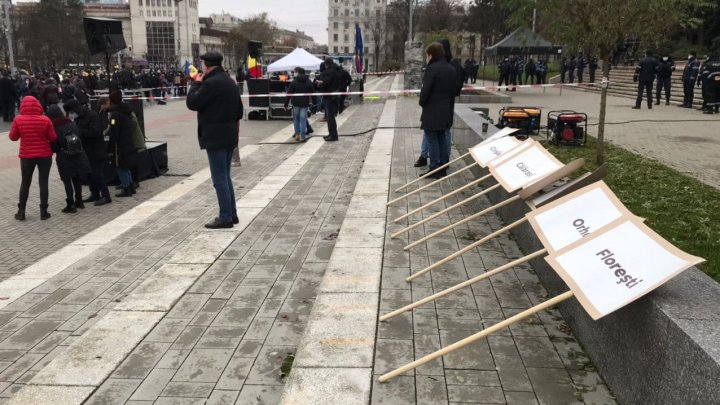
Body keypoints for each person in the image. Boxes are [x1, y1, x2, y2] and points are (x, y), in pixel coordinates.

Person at [186, 51, 244, 229]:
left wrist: (196, 84)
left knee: (219, 178)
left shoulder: (210, 83)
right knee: (225, 177)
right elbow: (240, 111)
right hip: (229, 135)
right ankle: (232, 214)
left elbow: (192, 103)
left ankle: (225, 217)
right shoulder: (229, 81)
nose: (201, 66)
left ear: (206, 65)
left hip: (215, 136)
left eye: (202, 63)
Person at [9, 96, 57, 220]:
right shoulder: (45, 119)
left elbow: (13, 137)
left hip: (26, 156)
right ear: (38, 105)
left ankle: (21, 211)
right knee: (43, 182)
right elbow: (53, 137)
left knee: (25, 182)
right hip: (45, 155)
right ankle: (43, 212)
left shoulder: (18, 119)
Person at [419, 42, 456, 179]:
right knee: (442, 139)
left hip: (432, 111)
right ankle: (442, 166)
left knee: (432, 139)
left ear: (431, 55)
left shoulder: (432, 69)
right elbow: (453, 92)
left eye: (427, 55)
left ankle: (434, 167)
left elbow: (425, 91)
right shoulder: (451, 69)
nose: (427, 58)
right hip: (445, 110)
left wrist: (422, 102)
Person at [64, 99, 111, 206]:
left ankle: (105, 195)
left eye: (71, 112)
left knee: (98, 174)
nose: (71, 115)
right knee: (89, 173)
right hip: (85, 150)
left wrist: (79, 132)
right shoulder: (77, 118)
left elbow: (96, 132)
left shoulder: (92, 116)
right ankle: (94, 194)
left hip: (96, 150)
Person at [46, 105, 91, 213]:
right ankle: (79, 201)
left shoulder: (54, 127)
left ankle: (70, 204)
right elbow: (79, 136)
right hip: (78, 155)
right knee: (76, 179)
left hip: (64, 156)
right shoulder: (72, 123)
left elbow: (55, 146)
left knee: (67, 181)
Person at [107, 90, 137, 197]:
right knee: (125, 166)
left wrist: (110, 147)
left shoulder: (115, 115)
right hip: (128, 141)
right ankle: (130, 186)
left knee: (120, 167)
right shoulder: (126, 111)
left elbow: (114, 132)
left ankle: (126, 188)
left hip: (119, 145)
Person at [285, 67, 315, 142]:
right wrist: (314, 103)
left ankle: (297, 134)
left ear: (298, 72)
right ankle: (303, 136)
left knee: (296, 119)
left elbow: (289, 93)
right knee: (303, 120)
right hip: (305, 103)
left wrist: (286, 104)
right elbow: (312, 92)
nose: (294, 73)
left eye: (295, 72)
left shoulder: (294, 82)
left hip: (296, 103)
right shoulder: (308, 81)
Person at [316, 58, 341, 141]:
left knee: (330, 117)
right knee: (331, 116)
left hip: (329, 96)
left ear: (326, 64)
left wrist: (320, 83)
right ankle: (332, 134)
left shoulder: (328, 72)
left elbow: (325, 83)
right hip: (335, 96)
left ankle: (333, 135)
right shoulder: (337, 70)